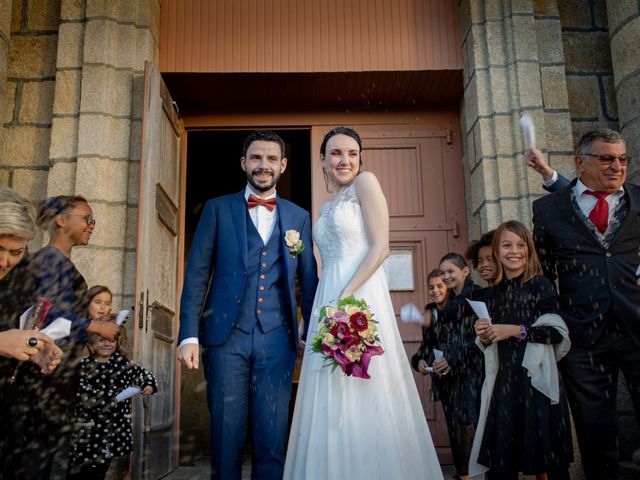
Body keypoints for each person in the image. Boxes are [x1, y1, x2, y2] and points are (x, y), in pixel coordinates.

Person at [284, 127, 444, 479]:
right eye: (337, 153)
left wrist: (346, 297)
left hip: (358, 296)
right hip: (330, 297)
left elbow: (380, 247)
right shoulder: (326, 208)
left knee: (365, 382)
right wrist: (314, 311)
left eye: (353, 153)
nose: (345, 160)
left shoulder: (366, 184)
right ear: (323, 159)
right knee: (331, 385)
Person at [177, 130, 318, 479]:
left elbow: (309, 279)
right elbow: (196, 275)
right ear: (243, 163)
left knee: (272, 436)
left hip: (278, 339)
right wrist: (188, 335)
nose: (263, 165)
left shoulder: (298, 217)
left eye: (271, 159)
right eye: (256, 158)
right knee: (226, 434)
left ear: (283, 165)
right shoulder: (217, 209)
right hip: (225, 339)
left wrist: (311, 328)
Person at [532, 128, 640, 480]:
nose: (617, 167)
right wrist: (559, 318)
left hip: (637, 327)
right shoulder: (549, 210)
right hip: (583, 337)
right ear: (580, 161)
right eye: (606, 158)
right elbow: (545, 272)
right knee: (595, 432)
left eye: (622, 159)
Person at [471, 220, 573, 480]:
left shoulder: (541, 286)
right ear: (496, 251)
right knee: (501, 461)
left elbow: (556, 332)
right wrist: (483, 334)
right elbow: (484, 346)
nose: (514, 251)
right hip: (504, 384)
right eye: (506, 245)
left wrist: (516, 330)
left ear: (529, 249)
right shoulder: (490, 296)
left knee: (550, 459)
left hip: (537, 383)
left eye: (520, 244)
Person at [0, 187, 62, 478]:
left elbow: (22, 330)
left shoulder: (25, 276)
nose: (4, 262)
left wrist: (35, 352)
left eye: (16, 251)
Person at [68, 307, 157, 479]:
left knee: (104, 465)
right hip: (92, 428)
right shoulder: (84, 365)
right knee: (88, 468)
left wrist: (149, 384)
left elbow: (142, 373)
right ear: (90, 343)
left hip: (115, 426)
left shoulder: (122, 363)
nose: (108, 344)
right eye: (102, 340)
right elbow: (83, 392)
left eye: (111, 340)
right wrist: (111, 399)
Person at [433, 252, 484, 480]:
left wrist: (452, 358)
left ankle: (471, 475)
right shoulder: (449, 301)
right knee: (454, 424)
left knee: (467, 424)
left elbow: (478, 339)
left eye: (450, 271)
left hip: (472, 370)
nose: (445, 276)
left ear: (465, 271)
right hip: (450, 374)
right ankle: (462, 473)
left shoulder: (477, 296)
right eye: (442, 272)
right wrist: (439, 359)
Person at [411, 268, 448, 376]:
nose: (435, 290)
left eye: (440, 286)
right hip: (438, 378)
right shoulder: (429, 310)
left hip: (459, 374)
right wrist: (419, 361)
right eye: (431, 288)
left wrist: (450, 359)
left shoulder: (457, 307)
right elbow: (426, 345)